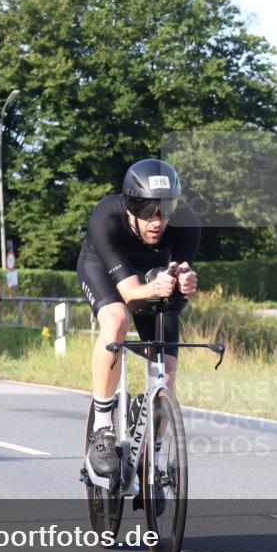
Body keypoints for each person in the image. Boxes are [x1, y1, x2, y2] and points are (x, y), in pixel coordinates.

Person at [76, 159, 200, 478]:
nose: (157, 221)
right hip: (103, 271)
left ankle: (153, 456)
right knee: (117, 318)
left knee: (166, 374)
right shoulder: (107, 215)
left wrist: (185, 281)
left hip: (152, 276)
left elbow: (180, 276)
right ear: (131, 206)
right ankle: (103, 428)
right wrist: (156, 287)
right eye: (147, 211)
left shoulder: (187, 222)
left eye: (165, 210)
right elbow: (130, 294)